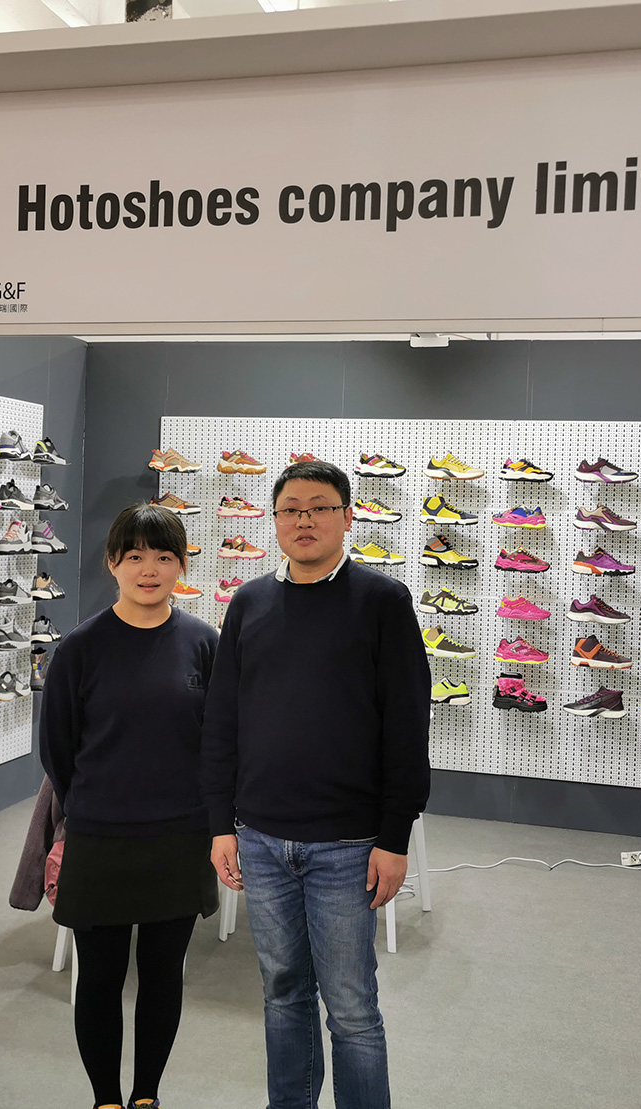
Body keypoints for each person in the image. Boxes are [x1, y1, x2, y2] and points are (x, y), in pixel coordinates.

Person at [201, 459, 431, 1109]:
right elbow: (222, 721)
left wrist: (394, 837)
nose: (304, 520)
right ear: (275, 520)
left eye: (320, 507)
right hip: (261, 838)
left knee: (352, 1008)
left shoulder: (383, 601)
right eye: (291, 509)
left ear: (347, 517)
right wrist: (220, 824)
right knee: (282, 994)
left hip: (348, 844)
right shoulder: (248, 603)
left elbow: (406, 727)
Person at [40, 502, 220, 1109]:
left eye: (164, 556)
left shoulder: (204, 644)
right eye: (135, 556)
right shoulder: (80, 648)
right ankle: (105, 1100)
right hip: (101, 836)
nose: (149, 569)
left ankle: (146, 1096)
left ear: (182, 565)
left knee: (165, 974)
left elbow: (220, 742)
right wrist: (94, 806)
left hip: (180, 836)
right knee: (100, 976)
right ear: (112, 562)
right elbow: (57, 748)